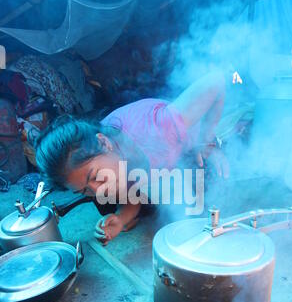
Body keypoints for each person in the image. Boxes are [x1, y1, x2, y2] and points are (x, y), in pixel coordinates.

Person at [35, 70, 229, 245]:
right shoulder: (111, 161)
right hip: (155, 165)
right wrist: (121, 218)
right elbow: (131, 191)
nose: (98, 189)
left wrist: (206, 140)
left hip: (189, 144)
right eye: (84, 190)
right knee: (105, 206)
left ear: (104, 142)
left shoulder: (160, 127)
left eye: (94, 177)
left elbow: (216, 80)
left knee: (207, 184)